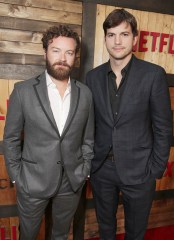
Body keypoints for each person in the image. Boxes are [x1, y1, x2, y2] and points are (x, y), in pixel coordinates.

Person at [86, 8, 172, 240]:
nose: (117, 41)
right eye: (111, 34)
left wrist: (154, 168)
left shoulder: (153, 75)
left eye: (124, 34)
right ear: (105, 39)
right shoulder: (92, 78)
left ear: (135, 38)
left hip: (140, 169)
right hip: (102, 168)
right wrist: (91, 162)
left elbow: (163, 127)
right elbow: (89, 125)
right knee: (106, 228)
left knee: (135, 232)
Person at [3, 25, 94, 240]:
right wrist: (17, 177)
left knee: (61, 235)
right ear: (45, 52)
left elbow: (88, 138)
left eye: (69, 52)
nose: (62, 58)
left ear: (75, 57)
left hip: (71, 181)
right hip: (32, 181)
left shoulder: (86, 94)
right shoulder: (23, 91)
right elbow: (11, 139)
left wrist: (85, 170)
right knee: (28, 234)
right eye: (56, 50)